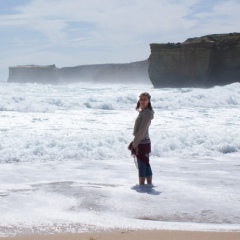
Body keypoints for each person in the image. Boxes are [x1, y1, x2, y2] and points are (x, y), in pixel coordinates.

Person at [128, 92, 154, 185]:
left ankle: (142, 187)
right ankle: (148, 186)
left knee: (142, 164)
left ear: (148, 101)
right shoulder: (143, 112)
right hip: (142, 140)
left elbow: (142, 130)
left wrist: (135, 142)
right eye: (141, 99)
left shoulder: (147, 113)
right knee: (145, 163)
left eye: (145, 99)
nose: (142, 101)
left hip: (142, 142)